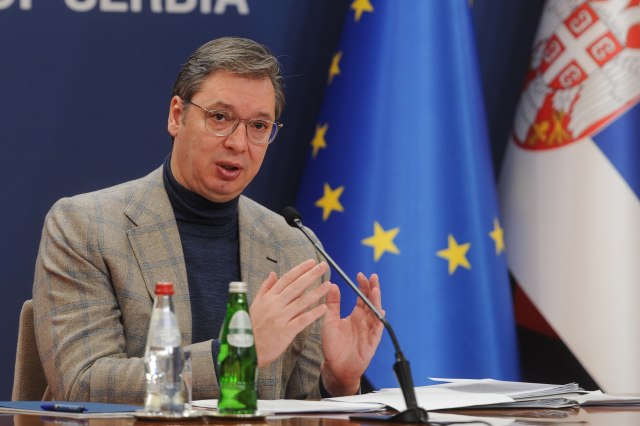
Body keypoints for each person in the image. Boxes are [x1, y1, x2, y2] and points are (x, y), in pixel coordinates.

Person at [32, 36, 384, 403]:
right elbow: (83, 384)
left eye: (259, 125)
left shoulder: (295, 248)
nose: (238, 143)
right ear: (177, 116)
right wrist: (235, 355)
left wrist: (338, 382)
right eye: (220, 117)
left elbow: (301, 408)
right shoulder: (86, 227)